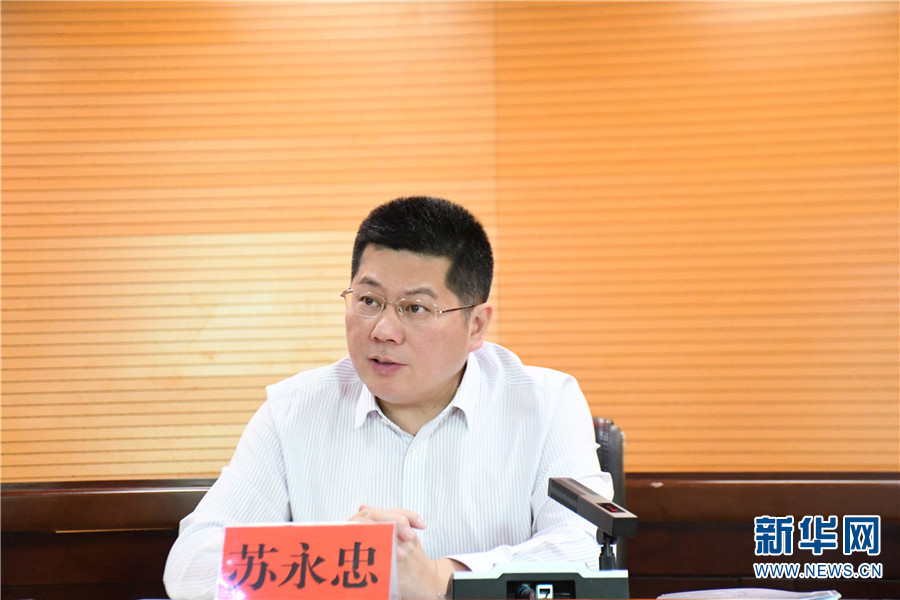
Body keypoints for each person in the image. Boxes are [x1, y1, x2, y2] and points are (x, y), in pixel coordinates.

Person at [163, 196, 611, 600]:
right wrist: (338, 559)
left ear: (475, 325)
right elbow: (191, 566)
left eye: (415, 308)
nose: (383, 330)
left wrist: (440, 579)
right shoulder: (292, 412)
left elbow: (584, 551)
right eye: (368, 300)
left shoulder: (545, 404)